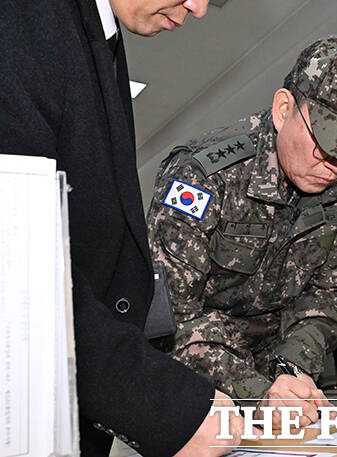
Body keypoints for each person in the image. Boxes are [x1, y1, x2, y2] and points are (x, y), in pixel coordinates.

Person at [0, 0, 251, 455]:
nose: (197, 8)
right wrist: (160, 404)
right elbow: (12, 263)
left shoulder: (99, 34)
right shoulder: (26, 18)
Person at [147, 33, 337, 425]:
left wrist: (293, 366)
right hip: (193, 381)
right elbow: (172, 316)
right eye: (327, 145)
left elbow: (334, 292)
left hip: (282, 382)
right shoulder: (202, 176)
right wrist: (255, 390)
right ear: (284, 110)